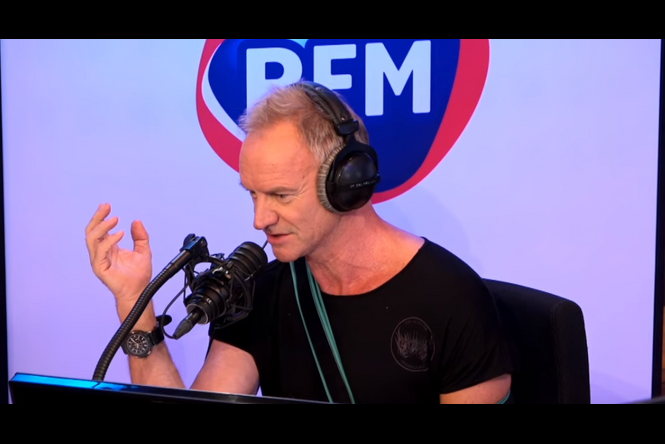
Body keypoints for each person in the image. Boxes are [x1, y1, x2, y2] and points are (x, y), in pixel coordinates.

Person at [85, 81, 514, 404]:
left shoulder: (450, 296)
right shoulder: (257, 294)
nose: (260, 219)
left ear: (347, 183)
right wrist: (135, 303)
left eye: (281, 195)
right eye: (253, 194)